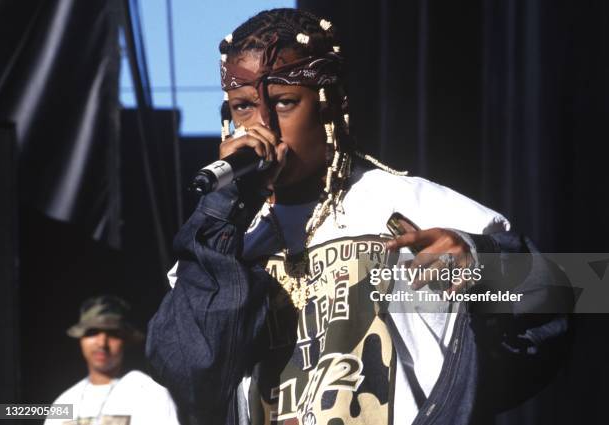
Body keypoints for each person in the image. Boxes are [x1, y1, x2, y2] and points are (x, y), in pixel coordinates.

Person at [146, 8, 571, 425]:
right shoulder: (227, 243)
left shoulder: (418, 206)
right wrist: (222, 218)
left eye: (285, 102)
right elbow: (188, 373)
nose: (263, 126)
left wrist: (484, 266)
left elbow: (573, 295)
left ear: (332, 105)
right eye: (242, 108)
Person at [45, 295, 180, 425]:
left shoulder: (150, 394)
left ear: (126, 341)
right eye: (93, 332)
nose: (102, 343)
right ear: (81, 339)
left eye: (113, 334)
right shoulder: (65, 402)